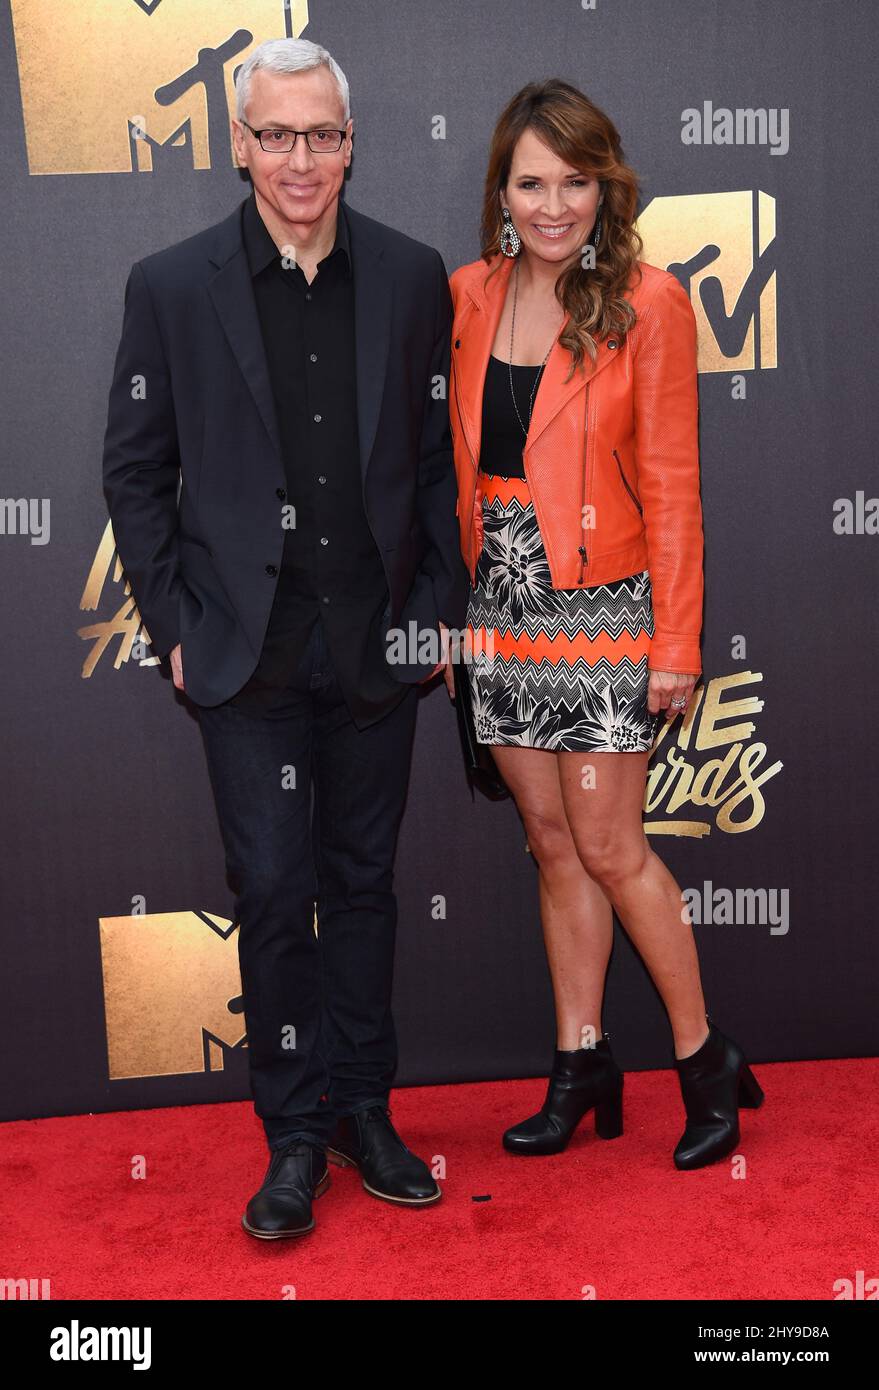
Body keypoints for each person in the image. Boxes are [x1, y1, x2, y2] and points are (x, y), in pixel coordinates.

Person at [102, 38, 468, 1237]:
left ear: (351, 145)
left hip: (375, 651)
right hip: (242, 656)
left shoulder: (414, 279)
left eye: (321, 134)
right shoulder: (170, 284)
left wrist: (435, 618)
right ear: (241, 143)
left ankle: (368, 1111)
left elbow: (435, 470)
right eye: (275, 134)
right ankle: (294, 1135)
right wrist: (173, 625)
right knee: (271, 892)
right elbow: (136, 473)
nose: (299, 158)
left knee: (364, 888)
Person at [448, 79, 764, 1170]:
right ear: (502, 190)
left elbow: (674, 485)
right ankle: (581, 1061)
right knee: (549, 846)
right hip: (501, 609)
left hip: (608, 612)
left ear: (605, 186)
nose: (553, 204)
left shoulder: (648, 300)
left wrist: (677, 643)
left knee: (611, 844)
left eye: (575, 180)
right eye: (531, 181)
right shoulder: (467, 296)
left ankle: (701, 1056)